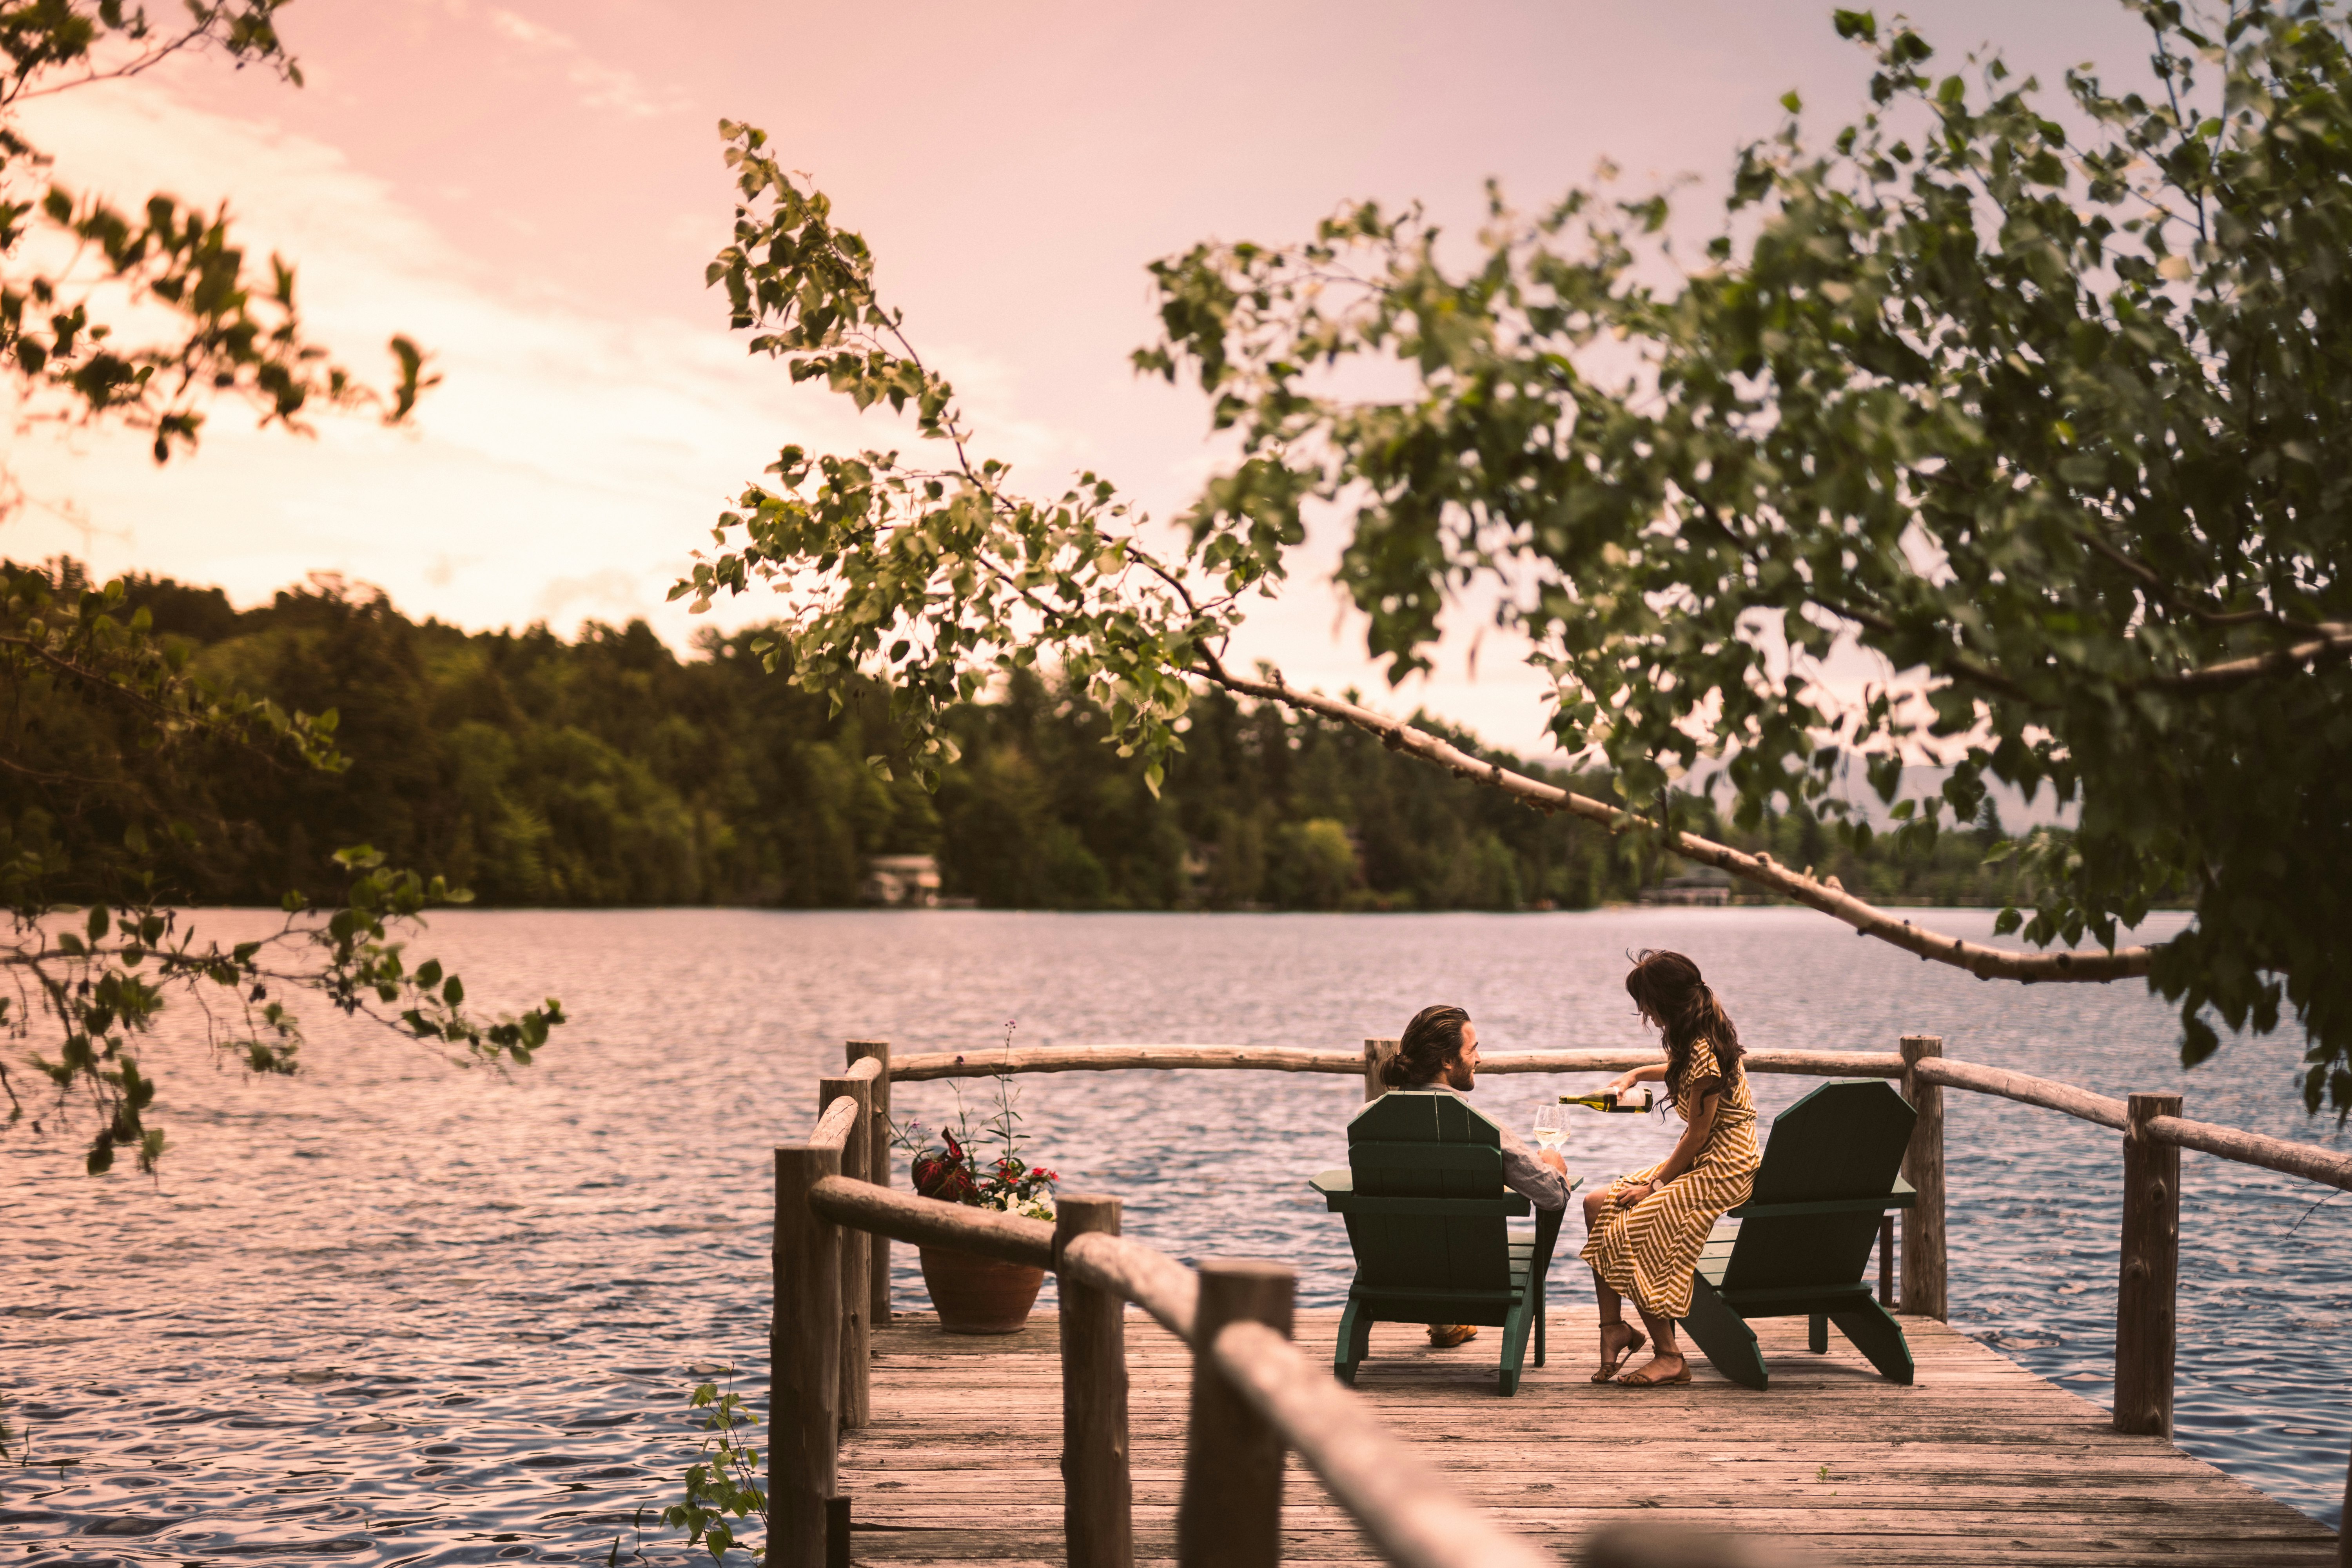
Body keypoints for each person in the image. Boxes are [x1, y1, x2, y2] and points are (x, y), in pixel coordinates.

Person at [1579, 950, 1762, 1387]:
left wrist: (1656, 1186)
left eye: (1645, 1002)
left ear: (1663, 1002)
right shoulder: (1699, 1033)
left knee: (1630, 1227)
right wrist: (1636, 1074)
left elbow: (1698, 1136)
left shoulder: (1702, 1047)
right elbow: (1683, 1074)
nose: (1644, 1012)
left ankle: (1669, 1356)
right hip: (1705, 1155)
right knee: (1595, 1203)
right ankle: (1614, 1329)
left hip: (1725, 1164)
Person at [1380, 1003, 1572, 1348]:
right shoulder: (1481, 1129)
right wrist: (1552, 1165)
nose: (1479, 1059)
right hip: (1477, 1277)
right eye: (1473, 1050)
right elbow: (1552, 1196)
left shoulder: (1369, 1121)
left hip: (1392, 1273)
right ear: (1447, 1061)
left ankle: (1445, 1324)